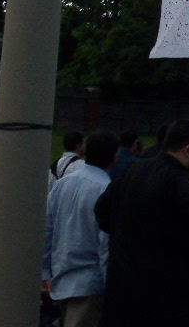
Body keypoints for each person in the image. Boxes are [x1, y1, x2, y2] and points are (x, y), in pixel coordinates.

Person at [95, 120, 189, 327]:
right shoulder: (180, 180)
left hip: (122, 289)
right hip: (163, 295)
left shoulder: (133, 171)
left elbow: (101, 210)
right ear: (188, 150)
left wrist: (124, 233)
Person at [43, 131, 117, 327]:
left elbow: (47, 230)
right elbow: (106, 244)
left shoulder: (61, 185)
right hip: (90, 283)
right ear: (114, 157)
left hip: (60, 277)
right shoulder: (105, 189)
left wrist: (45, 271)